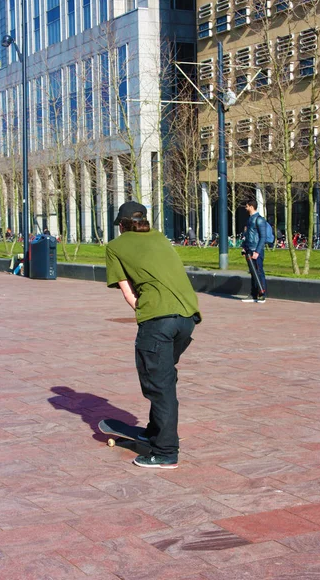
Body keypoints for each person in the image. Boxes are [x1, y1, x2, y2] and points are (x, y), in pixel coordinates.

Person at [105, 201, 201, 469]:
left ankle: (166, 451)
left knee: (159, 386)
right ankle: (155, 431)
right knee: (164, 378)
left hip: (159, 322)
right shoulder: (160, 237)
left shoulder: (115, 247)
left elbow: (128, 293)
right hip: (187, 318)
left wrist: (146, 309)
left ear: (122, 225)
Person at [241, 199, 267, 303]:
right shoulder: (249, 219)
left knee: (259, 272)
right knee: (253, 272)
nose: (245, 208)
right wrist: (244, 247)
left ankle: (262, 293)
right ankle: (253, 294)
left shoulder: (259, 220)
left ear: (251, 206)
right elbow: (247, 235)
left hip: (256, 250)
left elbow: (263, 237)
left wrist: (257, 251)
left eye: (247, 206)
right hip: (249, 249)